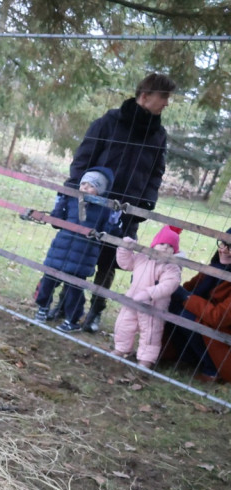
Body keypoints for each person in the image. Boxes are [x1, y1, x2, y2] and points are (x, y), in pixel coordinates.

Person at [63, 72, 177, 334]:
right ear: (145, 96)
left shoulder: (158, 135)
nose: (167, 103)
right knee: (79, 253)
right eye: (163, 97)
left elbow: (156, 173)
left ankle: (95, 310)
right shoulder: (109, 122)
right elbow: (83, 158)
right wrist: (75, 190)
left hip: (127, 210)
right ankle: (66, 305)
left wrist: (145, 204)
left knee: (110, 260)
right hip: (93, 203)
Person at [34, 167, 119, 332]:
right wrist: (59, 202)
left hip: (83, 256)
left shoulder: (104, 209)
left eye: (91, 185)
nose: (85, 188)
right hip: (60, 250)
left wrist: (114, 221)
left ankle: (72, 320)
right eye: (83, 184)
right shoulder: (72, 201)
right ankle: (42, 307)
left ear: (101, 190)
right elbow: (56, 221)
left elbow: (109, 233)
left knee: (74, 290)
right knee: (47, 281)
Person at [165, 229, 231, 383]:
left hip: (223, 335)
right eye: (223, 243)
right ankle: (186, 356)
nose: (223, 250)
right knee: (173, 306)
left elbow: (218, 318)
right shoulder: (215, 268)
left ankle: (213, 370)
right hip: (208, 326)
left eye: (230, 247)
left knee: (186, 315)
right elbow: (189, 288)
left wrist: (186, 297)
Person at [111, 225, 182, 369]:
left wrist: (149, 293)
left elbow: (169, 285)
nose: (165, 248)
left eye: (170, 246)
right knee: (124, 324)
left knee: (151, 333)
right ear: (154, 244)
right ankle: (121, 349)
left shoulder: (171, 267)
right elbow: (126, 264)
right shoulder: (142, 257)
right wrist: (125, 248)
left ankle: (145, 360)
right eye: (162, 243)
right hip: (133, 299)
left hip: (153, 305)